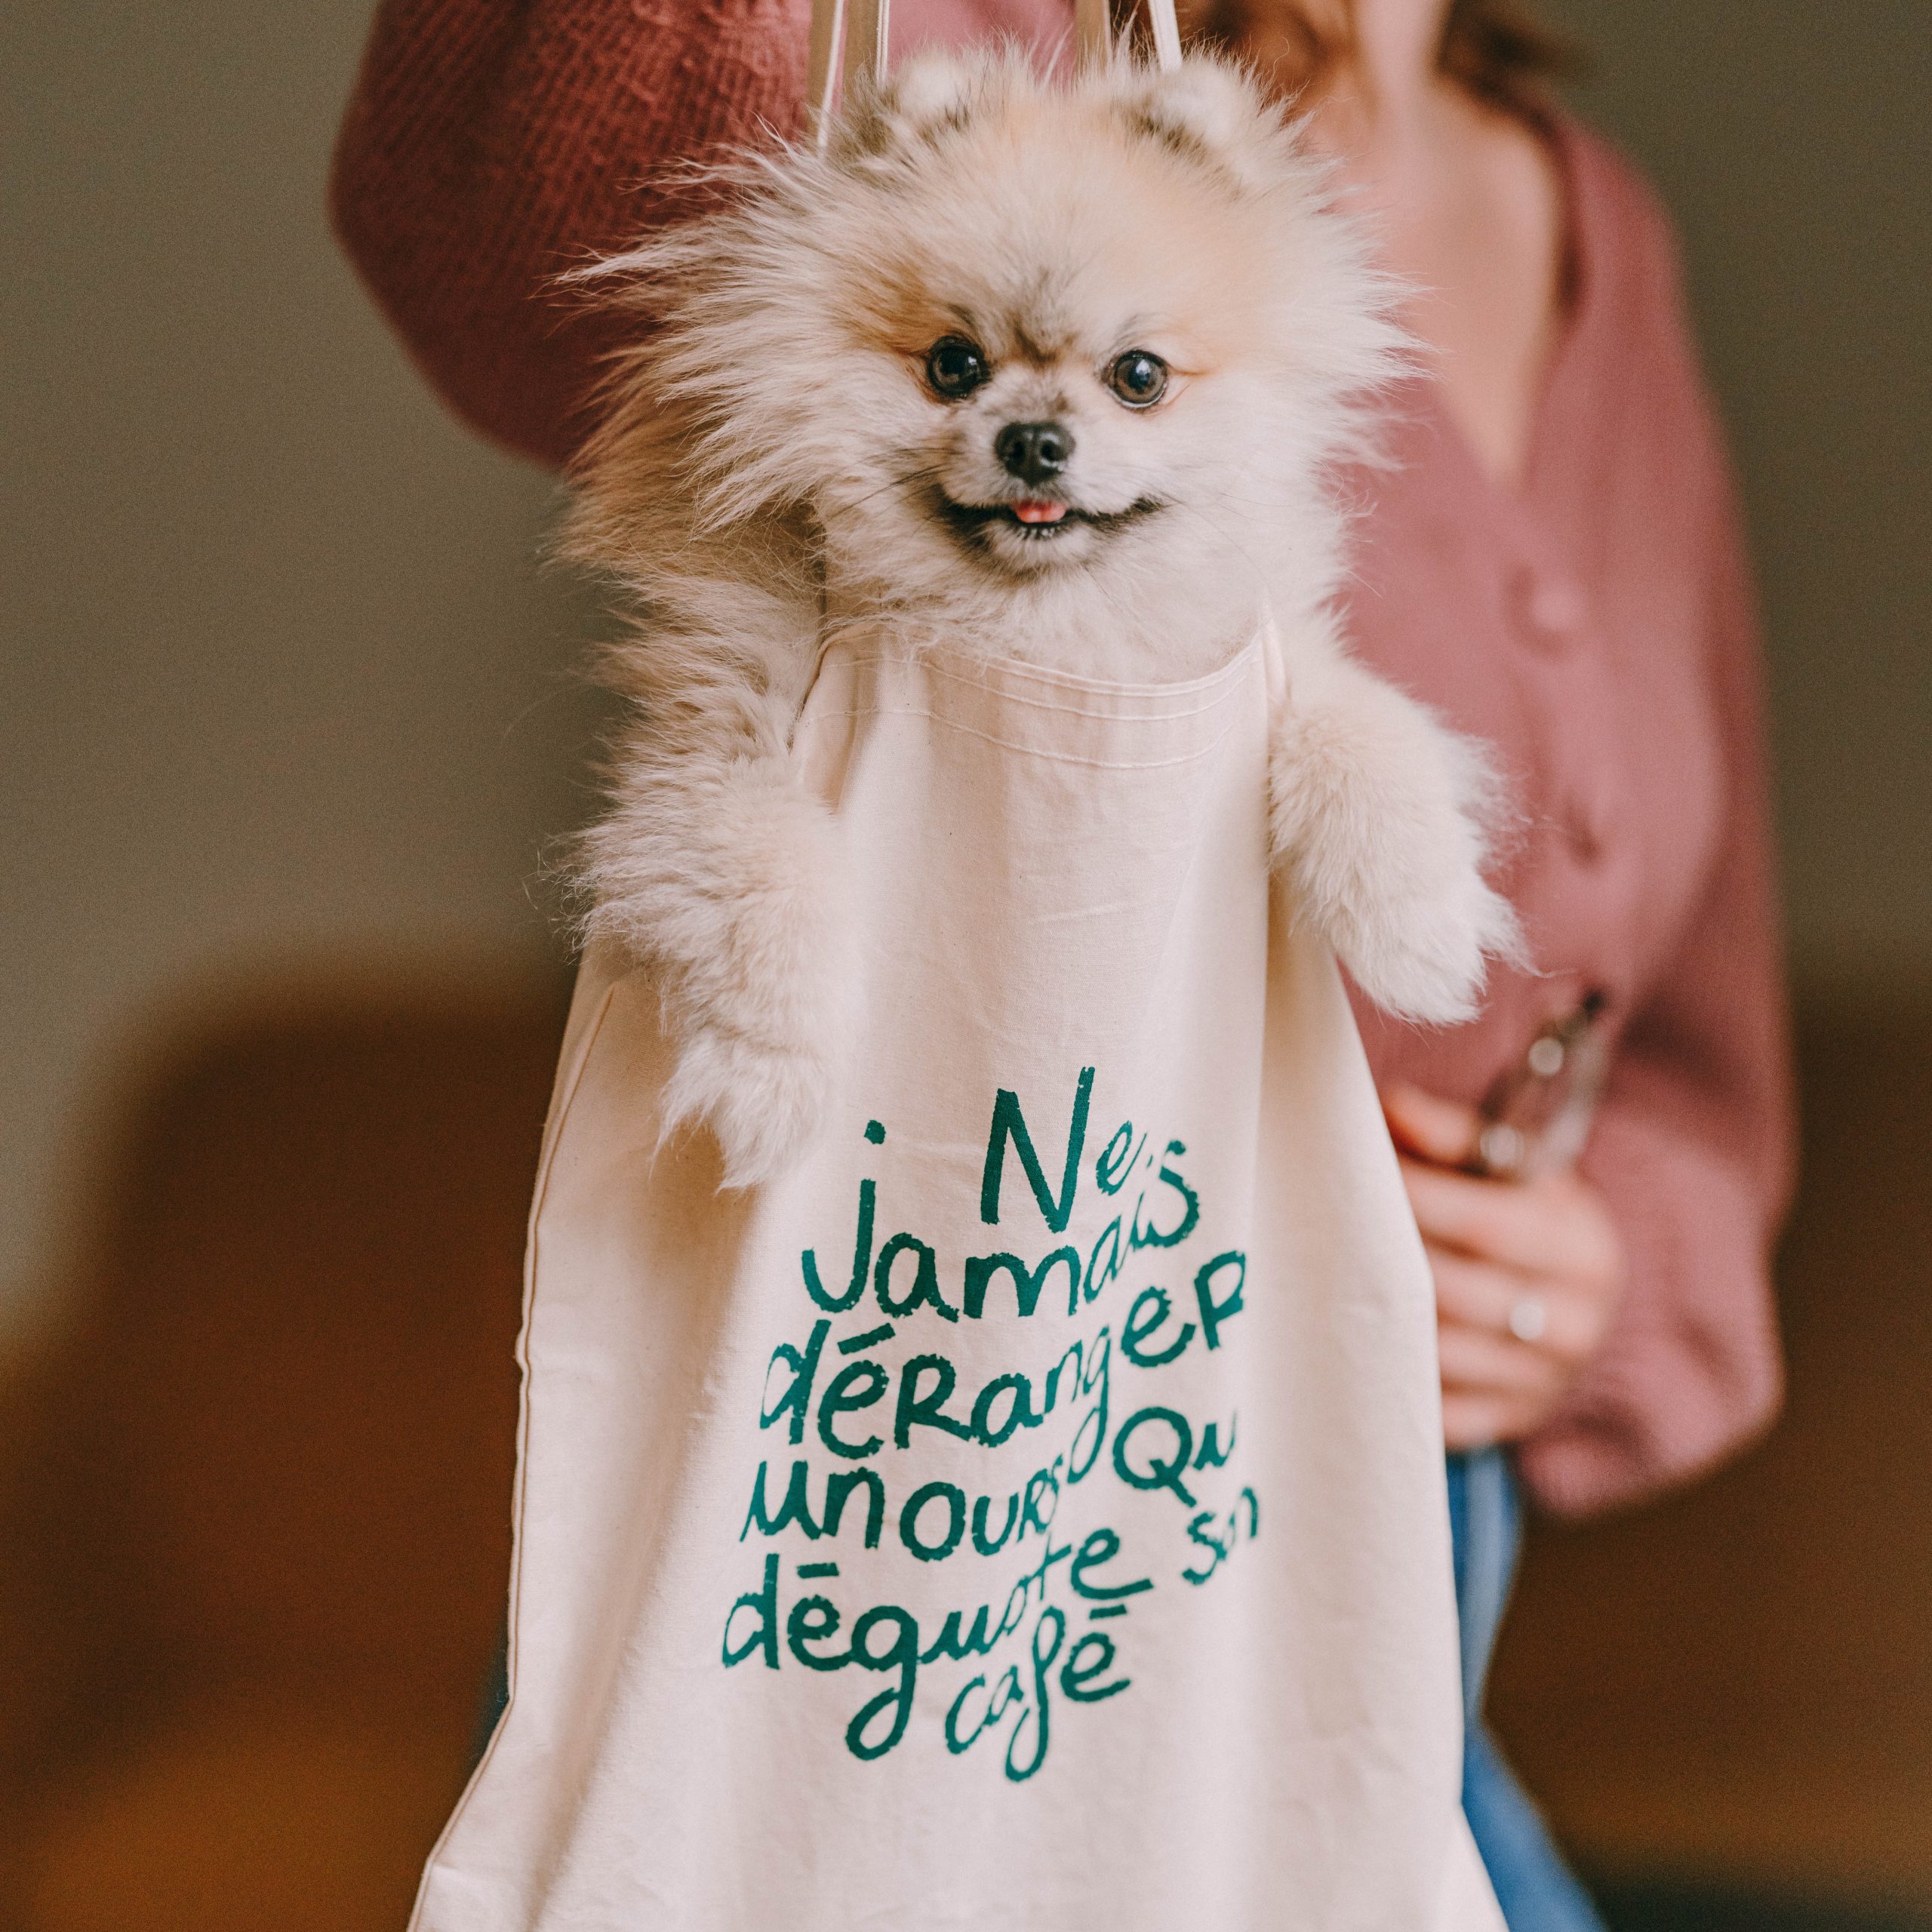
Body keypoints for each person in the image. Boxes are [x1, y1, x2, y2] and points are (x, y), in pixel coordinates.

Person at [331, 2, 1793, 1923]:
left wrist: (1608, 1265)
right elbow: (498, 253)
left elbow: (1688, 987)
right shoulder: (990, 53)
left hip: (1350, 1475)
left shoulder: (1591, 219)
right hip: (911, 1406)